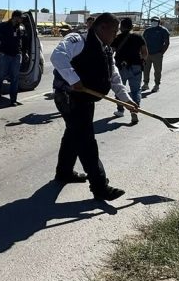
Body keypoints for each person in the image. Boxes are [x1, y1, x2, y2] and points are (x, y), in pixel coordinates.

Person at [51, 12, 135, 200]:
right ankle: (100, 187)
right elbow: (57, 56)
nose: (116, 34)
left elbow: (113, 76)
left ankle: (64, 172)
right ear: (102, 27)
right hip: (69, 97)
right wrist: (73, 79)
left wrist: (126, 99)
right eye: (114, 31)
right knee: (86, 140)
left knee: (73, 134)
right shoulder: (78, 40)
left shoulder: (106, 49)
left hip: (86, 98)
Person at [111, 17, 147, 124]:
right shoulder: (138, 37)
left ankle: (120, 110)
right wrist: (142, 61)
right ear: (131, 27)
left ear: (121, 27)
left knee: (120, 89)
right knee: (135, 90)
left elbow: (110, 52)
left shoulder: (117, 38)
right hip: (136, 67)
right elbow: (145, 53)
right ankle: (134, 111)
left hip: (121, 67)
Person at [0, 10, 25, 106]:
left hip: (16, 56)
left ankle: (13, 100)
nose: (21, 20)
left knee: (15, 78)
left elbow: (21, 40)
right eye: (20, 18)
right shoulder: (4, 25)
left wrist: (22, 52)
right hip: (4, 55)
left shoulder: (19, 28)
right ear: (15, 17)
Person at [141, 17, 170, 92]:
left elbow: (167, 43)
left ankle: (157, 85)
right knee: (146, 70)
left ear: (159, 22)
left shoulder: (163, 30)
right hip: (147, 54)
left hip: (157, 54)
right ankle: (145, 84)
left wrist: (161, 52)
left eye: (155, 21)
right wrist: (142, 53)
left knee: (157, 71)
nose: (154, 22)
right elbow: (142, 42)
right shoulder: (147, 30)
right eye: (152, 21)